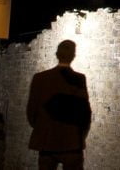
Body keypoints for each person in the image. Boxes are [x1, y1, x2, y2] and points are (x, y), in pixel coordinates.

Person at [26, 40, 91, 169]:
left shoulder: (40, 78)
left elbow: (31, 112)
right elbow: (85, 114)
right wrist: (79, 135)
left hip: (46, 141)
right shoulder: (79, 79)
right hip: (72, 142)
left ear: (56, 54)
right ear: (73, 56)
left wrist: (43, 127)